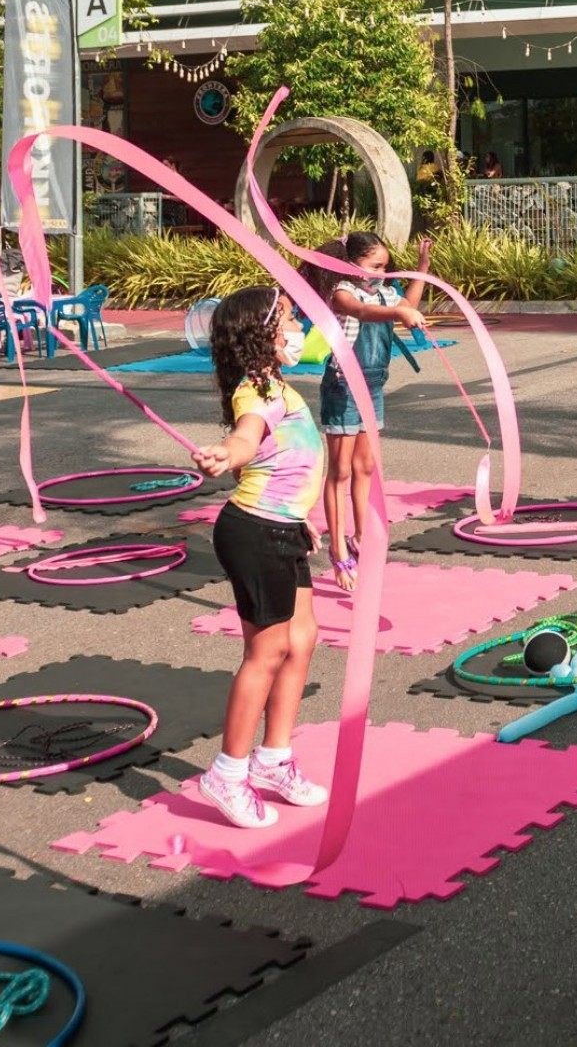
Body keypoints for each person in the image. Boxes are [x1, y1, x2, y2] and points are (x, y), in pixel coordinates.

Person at [190, 287, 329, 830]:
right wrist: (229, 453)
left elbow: (285, 459)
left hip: (283, 528)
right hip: (255, 533)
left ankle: (273, 760)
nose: (296, 330)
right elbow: (248, 438)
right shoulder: (255, 393)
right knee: (266, 650)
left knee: (302, 639)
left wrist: (301, 516)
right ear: (261, 334)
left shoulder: (275, 383)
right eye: (288, 321)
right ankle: (227, 772)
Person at [317, 231, 431, 588]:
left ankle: (363, 537)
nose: (383, 272)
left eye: (386, 267)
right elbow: (363, 313)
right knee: (340, 472)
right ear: (352, 264)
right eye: (375, 266)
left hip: (373, 385)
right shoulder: (343, 291)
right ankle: (338, 552)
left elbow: (404, 304)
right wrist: (397, 310)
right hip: (344, 386)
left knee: (365, 466)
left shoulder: (382, 291)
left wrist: (421, 270)